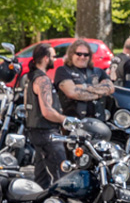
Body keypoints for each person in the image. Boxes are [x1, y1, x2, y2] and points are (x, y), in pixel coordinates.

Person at [24, 43, 66, 188]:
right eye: (53, 56)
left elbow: (26, 105)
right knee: (61, 177)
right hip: (47, 133)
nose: (55, 59)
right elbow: (47, 111)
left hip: (35, 132)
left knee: (42, 180)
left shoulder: (30, 78)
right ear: (46, 58)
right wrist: (66, 120)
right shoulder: (43, 80)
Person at [55, 39, 114, 120]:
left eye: (86, 55)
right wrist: (99, 93)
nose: (82, 57)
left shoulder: (98, 71)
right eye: (79, 54)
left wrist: (83, 87)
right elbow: (72, 93)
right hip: (74, 121)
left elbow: (110, 88)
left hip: (98, 120)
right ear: (71, 54)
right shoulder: (63, 70)